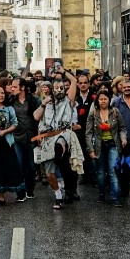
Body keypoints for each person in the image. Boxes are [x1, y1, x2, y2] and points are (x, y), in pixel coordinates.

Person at [33, 79, 85, 210]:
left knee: (62, 140)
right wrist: (43, 104)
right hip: (48, 138)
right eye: (56, 88)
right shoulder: (46, 103)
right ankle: (58, 195)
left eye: (61, 88)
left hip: (64, 134)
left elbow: (73, 81)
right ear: (52, 89)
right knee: (50, 174)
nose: (59, 90)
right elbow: (36, 117)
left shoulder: (68, 101)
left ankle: (60, 150)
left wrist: (62, 70)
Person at [85, 90, 126, 206]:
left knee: (113, 171)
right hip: (99, 145)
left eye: (105, 99)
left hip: (113, 144)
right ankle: (102, 193)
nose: (103, 101)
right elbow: (88, 133)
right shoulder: (93, 113)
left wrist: (123, 138)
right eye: (101, 99)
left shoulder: (115, 112)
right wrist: (90, 150)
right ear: (97, 100)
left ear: (109, 100)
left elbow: (122, 128)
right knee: (101, 173)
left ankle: (115, 197)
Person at [9, 77, 40, 200]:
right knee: (19, 165)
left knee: (31, 166)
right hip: (16, 137)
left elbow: (39, 116)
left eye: (15, 87)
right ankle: (20, 192)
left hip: (31, 137)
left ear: (22, 88)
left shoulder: (33, 100)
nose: (12, 89)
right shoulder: (11, 101)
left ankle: (30, 189)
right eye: (11, 86)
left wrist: (39, 134)